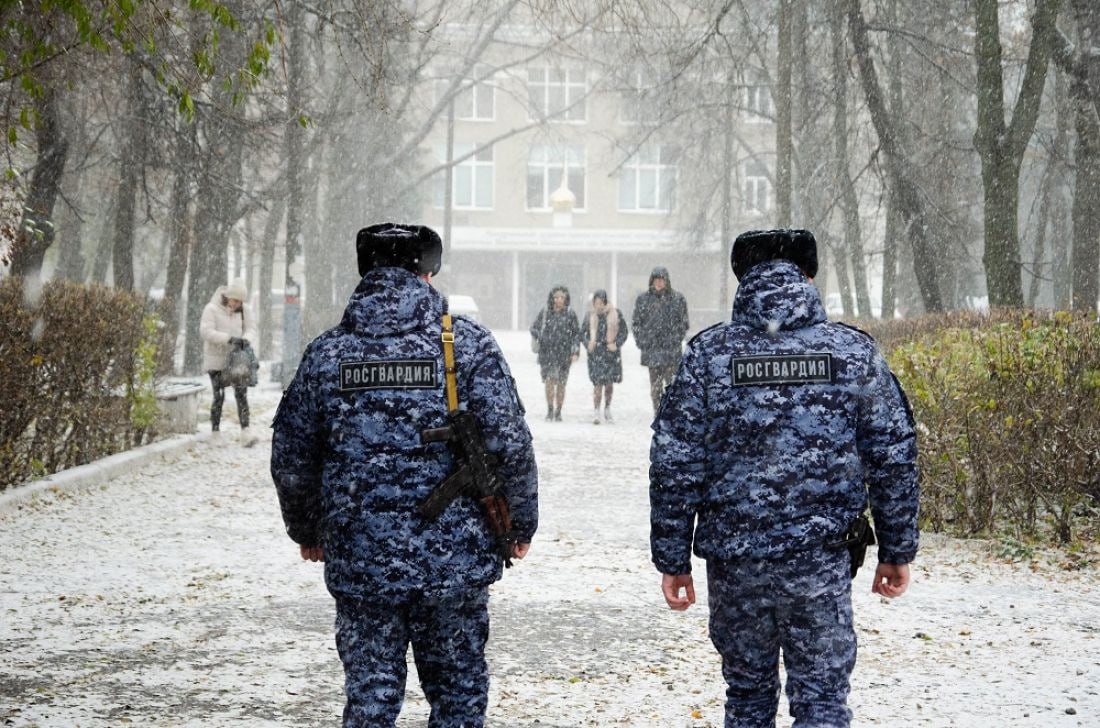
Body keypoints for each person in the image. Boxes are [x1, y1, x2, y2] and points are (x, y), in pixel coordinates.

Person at [270, 223, 538, 727]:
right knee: (457, 694)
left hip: (362, 557)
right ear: (429, 273)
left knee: (370, 699)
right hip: (453, 560)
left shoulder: (328, 355)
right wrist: (520, 524)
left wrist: (307, 529)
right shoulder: (466, 347)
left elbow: (292, 455)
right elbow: (511, 445)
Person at [649, 229, 919, 728]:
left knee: (748, 699)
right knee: (822, 702)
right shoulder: (852, 354)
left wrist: (673, 558)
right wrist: (897, 550)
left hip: (736, 565)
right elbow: (892, 456)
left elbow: (675, 463)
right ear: (809, 278)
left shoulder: (709, 358)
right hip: (820, 563)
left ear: (742, 280)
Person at [199, 277, 257, 445]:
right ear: (227, 296)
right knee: (219, 395)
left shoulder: (245, 310)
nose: (236, 304)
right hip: (215, 360)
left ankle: (246, 431)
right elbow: (206, 332)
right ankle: (215, 432)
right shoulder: (211, 309)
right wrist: (228, 339)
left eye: (239, 301)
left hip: (237, 360)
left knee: (241, 394)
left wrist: (245, 339)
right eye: (234, 300)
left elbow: (251, 328)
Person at [631, 266, 689, 413]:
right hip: (652, 351)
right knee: (655, 388)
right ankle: (658, 414)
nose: (658, 282)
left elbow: (683, 323)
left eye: (661, 279)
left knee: (672, 386)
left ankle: (670, 414)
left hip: (671, 351)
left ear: (666, 281)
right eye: (656, 279)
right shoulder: (643, 300)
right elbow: (636, 324)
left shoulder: (677, 299)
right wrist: (643, 342)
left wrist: (674, 339)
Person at [529, 285, 580, 421]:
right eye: (556, 297)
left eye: (562, 297)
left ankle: (559, 411)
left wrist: (575, 351)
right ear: (552, 298)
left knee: (562, 384)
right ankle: (550, 409)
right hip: (547, 354)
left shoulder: (570, 314)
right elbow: (533, 328)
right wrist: (541, 337)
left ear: (566, 299)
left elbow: (576, 334)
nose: (559, 300)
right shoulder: (545, 312)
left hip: (564, 355)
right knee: (549, 382)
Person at [579, 289, 628, 424]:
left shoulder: (615, 314)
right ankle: (596, 410)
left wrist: (616, 344)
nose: (599, 305)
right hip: (595, 353)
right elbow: (582, 333)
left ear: (605, 302)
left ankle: (607, 408)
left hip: (610, 353)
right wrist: (588, 343)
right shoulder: (590, 316)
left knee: (609, 383)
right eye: (596, 302)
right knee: (597, 383)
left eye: (601, 302)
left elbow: (624, 331)